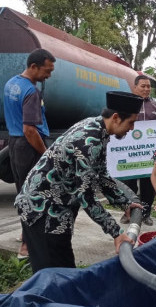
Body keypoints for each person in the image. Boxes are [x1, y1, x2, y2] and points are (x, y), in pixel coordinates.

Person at [15, 91, 144, 272]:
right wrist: (116, 233)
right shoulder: (87, 142)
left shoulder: (98, 130)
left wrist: (124, 202)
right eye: (131, 122)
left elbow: (101, 174)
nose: (132, 128)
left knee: (62, 266)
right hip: (43, 210)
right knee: (55, 272)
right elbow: (87, 196)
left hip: (58, 208)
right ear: (116, 117)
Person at [3, 48, 56, 260]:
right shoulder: (31, 92)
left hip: (15, 144)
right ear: (33, 66)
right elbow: (30, 129)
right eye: (47, 70)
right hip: (29, 145)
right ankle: (27, 246)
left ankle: (25, 233)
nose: (48, 76)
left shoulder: (12, 84)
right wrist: (45, 154)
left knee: (23, 192)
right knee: (35, 195)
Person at [120, 74, 156, 226]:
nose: (147, 89)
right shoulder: (125, 104)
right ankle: (128, 213)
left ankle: (145, 214)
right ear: (134, 87)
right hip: (129, 154)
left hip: (150, 156)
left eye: (148, 86)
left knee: (148, 185)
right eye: (143, 86)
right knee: (128, 184)